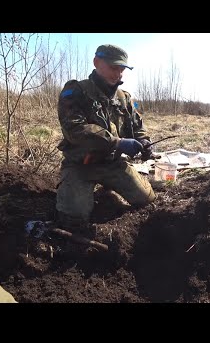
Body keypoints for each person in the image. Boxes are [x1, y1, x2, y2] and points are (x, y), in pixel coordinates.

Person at [55, 44, 156, 236]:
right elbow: (74, 129)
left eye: (121, 69)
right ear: (96, 63)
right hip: (80, 165)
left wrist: (144, 142)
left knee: (146, 199)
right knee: (73, 219)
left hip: (113, 163)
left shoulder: (124, 98)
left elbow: (136, 127)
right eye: (112, 67)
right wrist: (116, 142)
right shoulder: (75, 91)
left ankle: (107, 189)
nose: (117, 73)